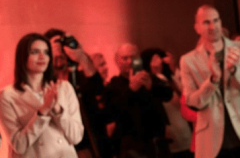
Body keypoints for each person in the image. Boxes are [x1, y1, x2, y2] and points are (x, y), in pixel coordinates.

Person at [180, 5, 240, 158]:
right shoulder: (188, 60)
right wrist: (212, 80)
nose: (213, 26)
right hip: (211, 142)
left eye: (216, 20)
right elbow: (192, 102)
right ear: (197, 28)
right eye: (206, 22)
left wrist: (235, 72)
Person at [0, 33, 84, 158]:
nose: (42, 57)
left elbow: (76, 137)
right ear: (22, 57)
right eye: (35, 52)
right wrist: (43, 111)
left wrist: (58, 111)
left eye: (46, 52)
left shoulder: (64, 88)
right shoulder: (8, 95)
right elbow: (19, 145)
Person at [45, 29, 111, 158]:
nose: (59, 50)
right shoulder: (45, 82)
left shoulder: (80, 76)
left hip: (91, 142)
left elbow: (99, 93)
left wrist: (81, 57)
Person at [105, 43, 173, 158]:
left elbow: (168, 94)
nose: (129, 61)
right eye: (125, 58)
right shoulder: (113, 85)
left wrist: (151, 86)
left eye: (133, 57)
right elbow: (114, 111)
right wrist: (131, 90)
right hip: (132, 146)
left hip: (157, 143)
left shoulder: (149, 77)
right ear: (117, 60)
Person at [141, 48, 193, 158]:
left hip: (182, 120)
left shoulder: (168, 77)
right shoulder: (153, 81)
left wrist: (172, 68)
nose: (158, 61)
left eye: (159, 58)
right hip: (170, 124)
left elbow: (184, 90)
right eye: (154, 59)